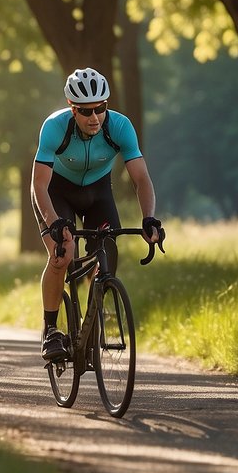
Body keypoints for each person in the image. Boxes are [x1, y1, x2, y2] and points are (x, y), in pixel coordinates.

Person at [30, 67, 163, 363]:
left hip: (97, 193)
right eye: (86, 111)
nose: (94, 117)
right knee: (63, 255)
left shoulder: (120, 127)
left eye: (100, 108)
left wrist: (149, 218)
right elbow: (39, 183)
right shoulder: (54, 128)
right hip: (56, 193)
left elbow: (141, 179)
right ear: (71, 108)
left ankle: (91, 324)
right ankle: (51, 330)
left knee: (107, 256)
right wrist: (54, 224)